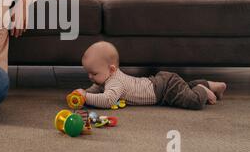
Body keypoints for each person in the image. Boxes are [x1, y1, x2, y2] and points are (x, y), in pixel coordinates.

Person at [73, 41, 227, 110]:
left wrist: (86, 97)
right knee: (184, 89)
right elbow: (96, 89)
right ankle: (212, 85)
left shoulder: (115, 82)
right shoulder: (105, 78)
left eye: (94, 73)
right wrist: (83, 93)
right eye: (88, 73)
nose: (91, 77)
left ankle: (201, 89)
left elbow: (108, 100)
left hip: (164, 90)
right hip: (161, 83)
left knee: (193, 101)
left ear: (112, 69)